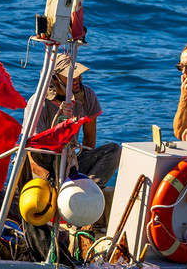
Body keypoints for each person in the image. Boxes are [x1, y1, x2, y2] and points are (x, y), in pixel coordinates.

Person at [31, 52, 121, 186]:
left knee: (114, 150)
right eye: (69, 75)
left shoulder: (87, 96)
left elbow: (89, 140)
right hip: (43, 166)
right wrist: (49, 178)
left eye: (76, 73)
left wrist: (75, 171)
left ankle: (88, 191)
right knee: (39, 152)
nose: (76, 78)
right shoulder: (38, 103)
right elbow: (31, 154)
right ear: (55, 79)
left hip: (70, 160)